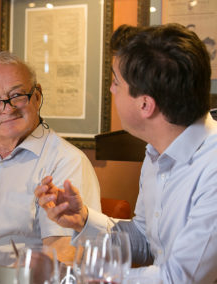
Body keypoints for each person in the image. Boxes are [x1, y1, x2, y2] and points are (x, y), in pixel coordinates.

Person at [35, 23, 217, 283]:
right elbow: (144, 240)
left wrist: (94, 276)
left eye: (116, 82)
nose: (111, 89)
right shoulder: (157, 151)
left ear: (145, 105)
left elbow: (180, 278)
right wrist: (83, 220)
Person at [0, 51, 101, 265]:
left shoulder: (66, 161)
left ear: (37, 97)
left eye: (17, 96)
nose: (7, 109)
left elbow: (64, 253)